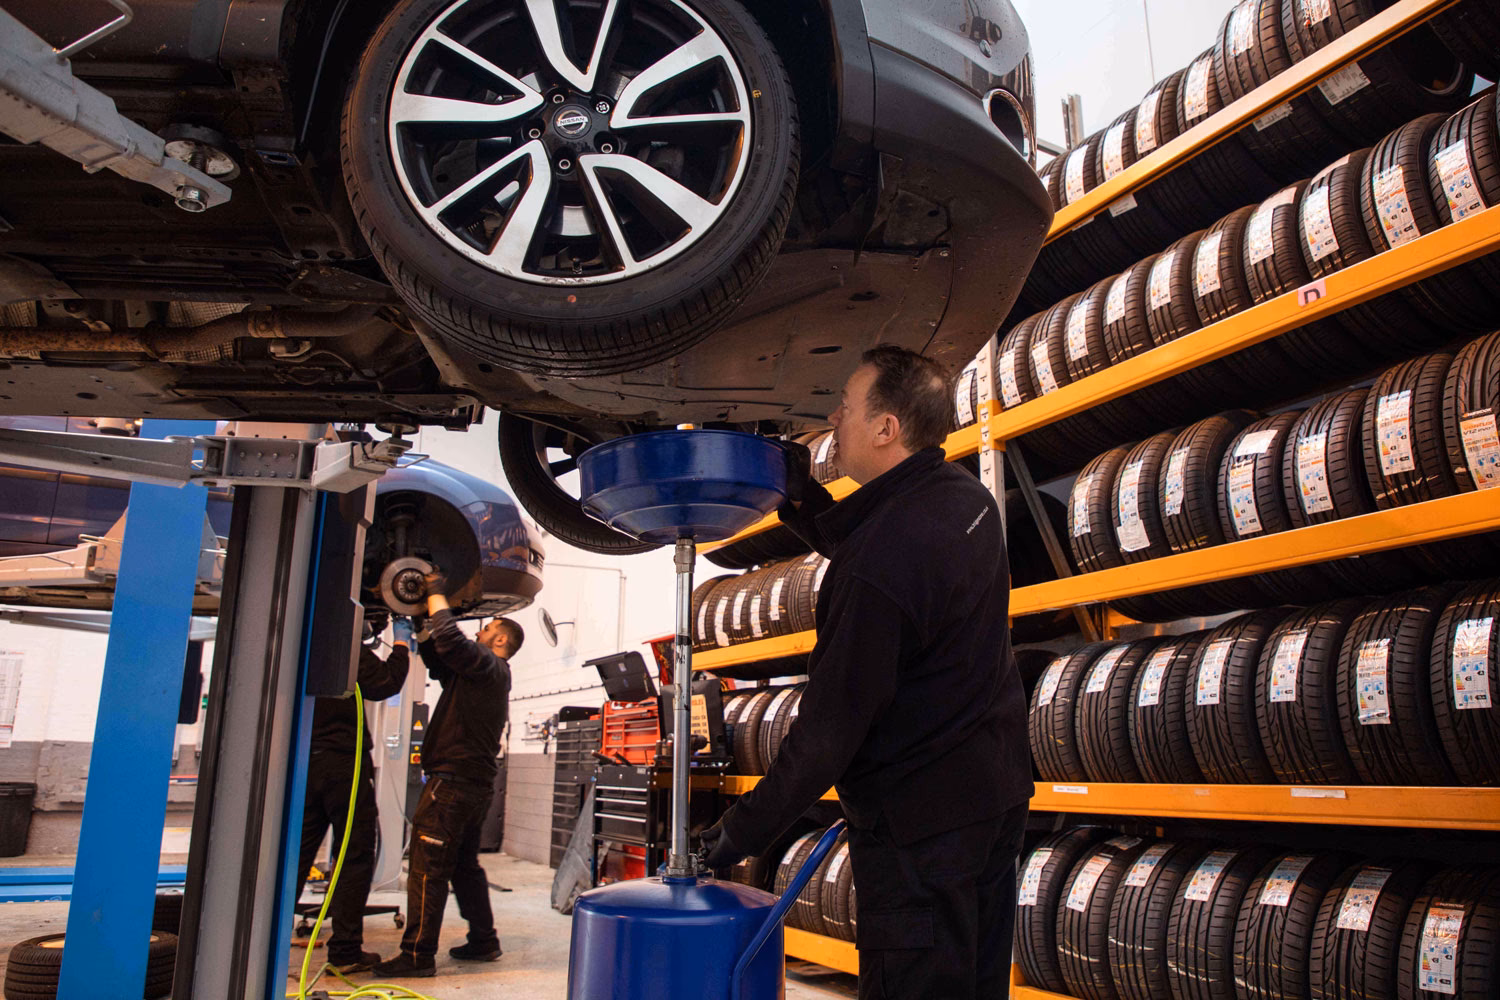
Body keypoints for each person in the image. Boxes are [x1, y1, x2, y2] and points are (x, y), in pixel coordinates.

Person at [700, 345, 1032, 1000]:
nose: (834, 416)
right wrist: (803, 502)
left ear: (886, 429)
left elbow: (827, 735)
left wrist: (739, 832)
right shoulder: (965, 499)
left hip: (919, 829)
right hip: (993, 798)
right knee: (975, 982)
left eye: (846, 407)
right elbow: (891, 552)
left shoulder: (878, 566)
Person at [373, 569, 521, 978]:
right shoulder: (483, 675)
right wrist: (420, 628)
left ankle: (417, 955)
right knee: (461, 865)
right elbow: (443, 658)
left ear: (501, 640)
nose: (481, 632)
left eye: (487, 628)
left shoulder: (490, 665)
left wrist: (437, 591)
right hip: (472, 786)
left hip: (452, 785)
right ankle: (484, 940)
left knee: (427, 865)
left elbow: (453, 641)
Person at [295, 621, 411, 973]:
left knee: (294, 853)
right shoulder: (336, 635)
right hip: (344, 760)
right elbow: (383, 683)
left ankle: (261, 941)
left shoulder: (297, 634)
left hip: (302, 759)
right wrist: (402, 644)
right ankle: (344, 951)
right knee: (355, 851)